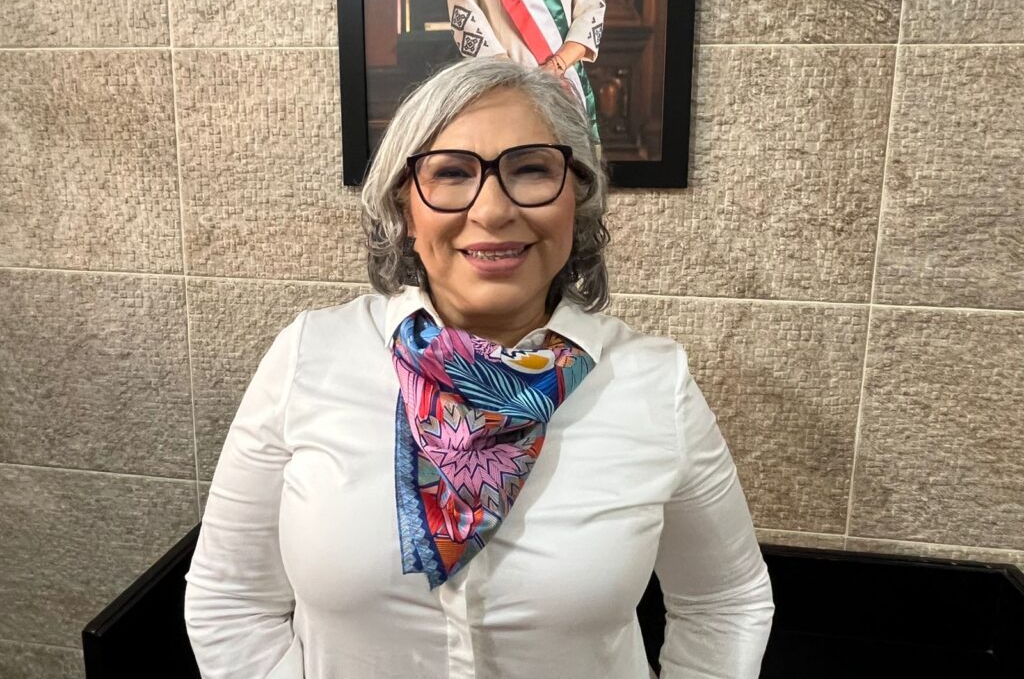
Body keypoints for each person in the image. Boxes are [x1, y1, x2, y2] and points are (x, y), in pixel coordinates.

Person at [184, 57, 773, 679]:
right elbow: (232, 598)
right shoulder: (310, 357)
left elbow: (725, 602)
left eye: (531, 169)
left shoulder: (653, 384)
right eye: (451, 173)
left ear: (576, 197)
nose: (491, 211)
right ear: (404, 207)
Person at [444, 0, 604, 140]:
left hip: (562, 86)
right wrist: (508, 77)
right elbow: (464, 13)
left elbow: (592, 6)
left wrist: (555, 67)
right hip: (497, 89)